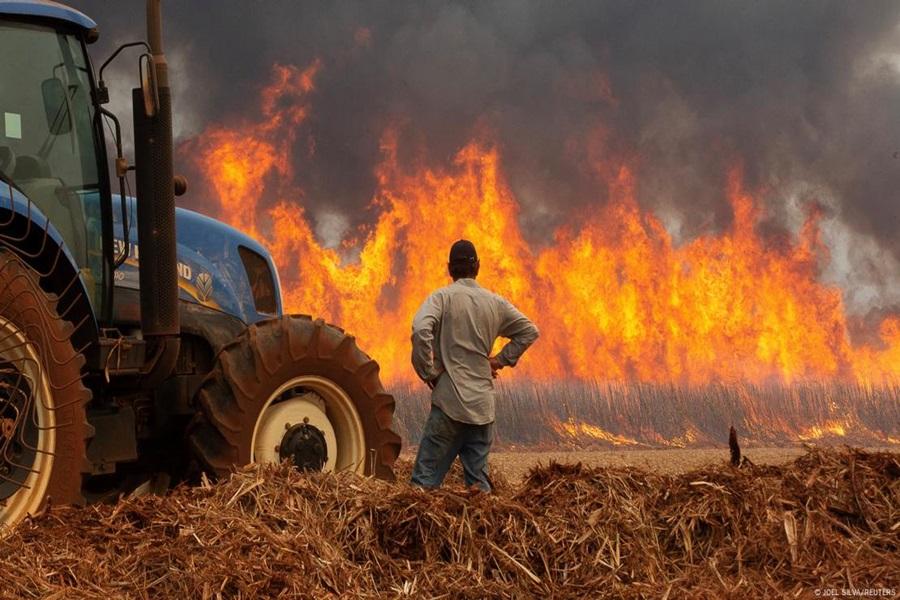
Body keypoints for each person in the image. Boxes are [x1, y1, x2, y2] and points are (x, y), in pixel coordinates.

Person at [410, 239, 539, 492]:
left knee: (422, 488)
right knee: (479, 491)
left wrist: (428, 372)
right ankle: (483, 531)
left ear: (449, 269)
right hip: (482, 408)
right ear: (477, 267)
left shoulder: (441, 298)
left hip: (449, 404)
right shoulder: (495, 303)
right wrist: (499, 361)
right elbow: (529, 331)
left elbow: (420, 328)